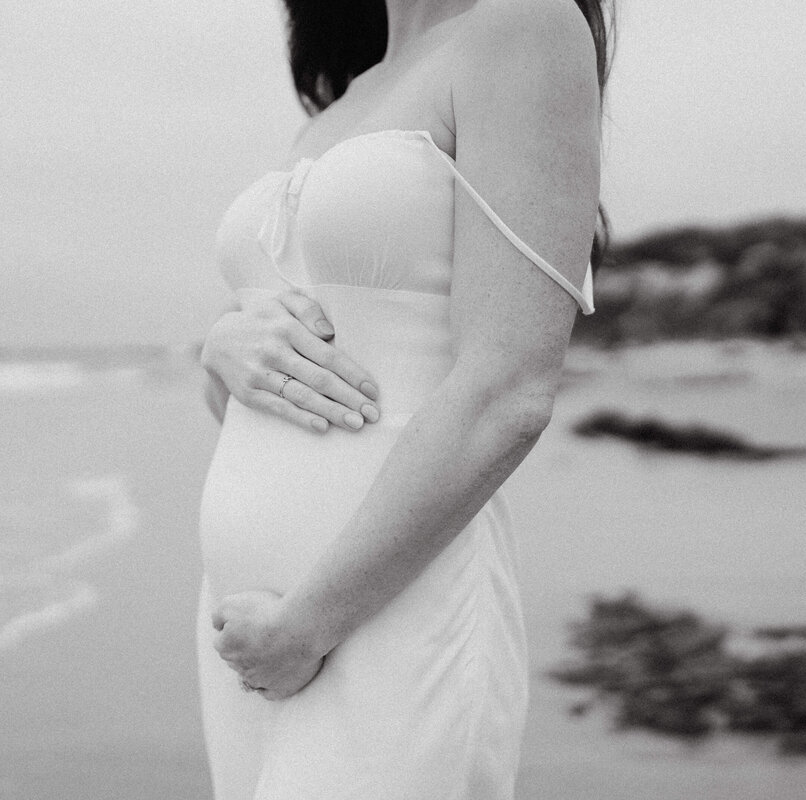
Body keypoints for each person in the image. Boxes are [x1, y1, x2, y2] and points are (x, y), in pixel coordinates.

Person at [196, 0, 610, 796]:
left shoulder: (525, 25)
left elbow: (508, 391)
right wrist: (221, 348)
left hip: (379, 617)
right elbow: (255, 403)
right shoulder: (345, 98)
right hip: (248, 630)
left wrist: (308, 624)